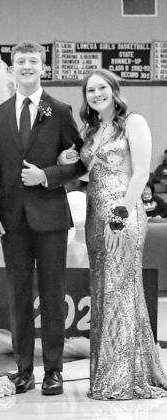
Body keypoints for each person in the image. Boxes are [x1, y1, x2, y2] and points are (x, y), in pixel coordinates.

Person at [0, 41, 85, 396]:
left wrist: (46, 176)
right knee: (19, 297)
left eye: (33, 61)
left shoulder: (59, 110)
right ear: (12, 68)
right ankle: (24, 369)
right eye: (20, 61)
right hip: (11, 220)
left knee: (54, 296)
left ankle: (54, 371)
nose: (26, 66)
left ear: (43, 67)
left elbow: (79, 161)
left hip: (51, 218)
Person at [72, 69, 167, 399]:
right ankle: (108, 374)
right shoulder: (93, 130)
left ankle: (122, 379)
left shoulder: (133, 123)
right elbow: (88, 172)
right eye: (89, 90)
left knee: (119, 294)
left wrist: (120, 217)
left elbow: (140, 173)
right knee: (103, 295)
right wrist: (69, 158)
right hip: (94, 219)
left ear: (114, 90)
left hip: (121, 217)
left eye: (101, 88)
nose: (96, 94)